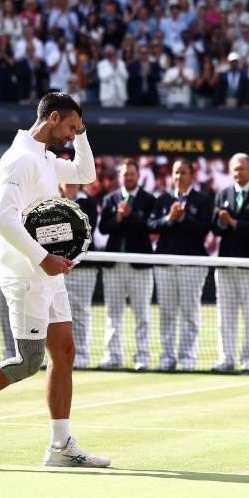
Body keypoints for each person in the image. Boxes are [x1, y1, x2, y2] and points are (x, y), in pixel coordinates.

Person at [0, 93, 110, 468]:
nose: (71, 136)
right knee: (26, 362)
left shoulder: (46, 159)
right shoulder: (20, 160)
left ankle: (59, 446)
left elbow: (86, 174)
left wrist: (81, 131)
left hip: (48, 276)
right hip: (26, 275)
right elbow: (3, 218)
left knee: (64, 351)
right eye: (69, 127)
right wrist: (43, 257)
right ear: (52, 119)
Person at [148, 159, 213, 371]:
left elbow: (204, 229)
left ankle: (187, 358)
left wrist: (183, 217)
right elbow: (152, 225)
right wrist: (170, 218)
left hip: (192, 264)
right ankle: (167, 357)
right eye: (176, 172)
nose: (179, 176)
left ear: (191, 175)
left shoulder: (203, 200)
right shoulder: (163, 199)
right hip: (165, 263)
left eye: (183, 172)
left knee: (189, 313)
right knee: (166, 313)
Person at [98, 158, 155, 371]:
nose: (128, 177)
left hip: (139, 265)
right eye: (125, 174)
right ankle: (112, 356)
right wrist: (118, 219)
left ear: (138, 175)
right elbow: (104, 228)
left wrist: (129, 216)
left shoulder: (148, 199)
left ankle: (142, 357)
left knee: (142, 315)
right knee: (113, 315)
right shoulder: (110, 199)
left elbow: (149, 226)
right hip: (114, 266)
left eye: (132, 174)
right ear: (120, 177)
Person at [212, 153, 249, 373]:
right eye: (235, 168)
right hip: (226, 263)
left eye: (242, 168)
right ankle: (226, 358)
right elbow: (215, 228)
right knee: (225, 315)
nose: (238, 172)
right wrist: (224, 224)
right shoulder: (223, 194)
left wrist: (233, 223)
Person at [59, 182, 98, 369]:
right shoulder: (49, 200)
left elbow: (86, 229)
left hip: (83, 266)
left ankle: (81, 355)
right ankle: (53, 354)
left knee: (80, 312)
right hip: (55, 266)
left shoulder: (89, 203)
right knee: (52, 312)